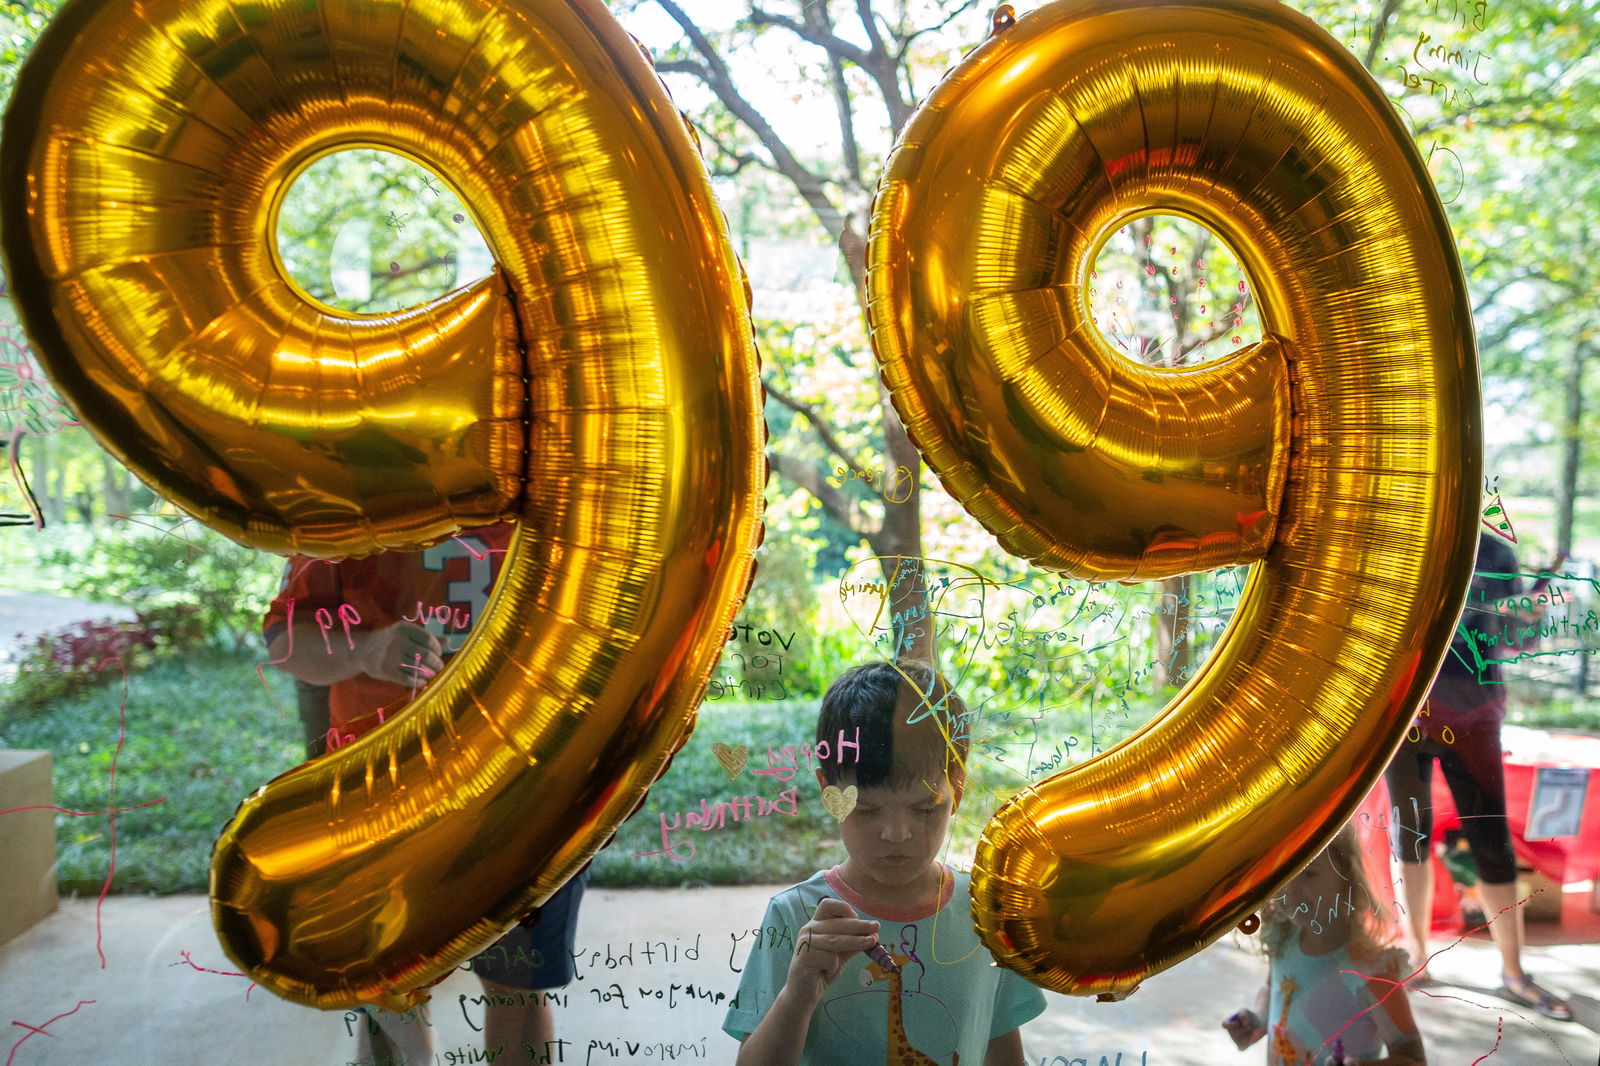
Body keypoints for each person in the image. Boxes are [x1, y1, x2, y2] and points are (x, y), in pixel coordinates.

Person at [263, 523, 587, 1062]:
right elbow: (285, 640)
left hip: (527, 789)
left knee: (519, 984)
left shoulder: (565, 485)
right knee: (386, 990)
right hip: (381, 791)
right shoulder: (353, 492)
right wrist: (367, 651)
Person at [722, 660, 1046, 1066]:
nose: (896, 833)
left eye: (925, 809)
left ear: (956, 792)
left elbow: (1000, 1046)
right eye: (867, 809)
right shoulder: (795, 918)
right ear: (829, 793)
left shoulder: (984, 912)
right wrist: (798, 992)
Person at [1382, 531, 1571, 1020]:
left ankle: (1513, 971)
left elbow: (1513, 640)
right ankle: (1417, 957)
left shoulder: (1494, 552)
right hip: (1403, 708)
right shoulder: (1405, 539)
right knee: (1409, 836)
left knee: (1490, 836)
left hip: (1474, 711)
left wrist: (1529, 614)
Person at [1222, 824, 1426, 1066]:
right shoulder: (1284, 938)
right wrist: (1256, 1021)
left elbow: (1413, 1059)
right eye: (1282, 874)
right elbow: (1276, 990)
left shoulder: (1369, 967)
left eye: (1308, 873)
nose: (1291, 889)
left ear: (1347, 876)